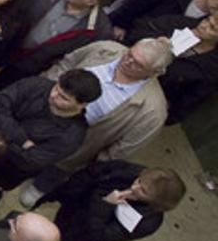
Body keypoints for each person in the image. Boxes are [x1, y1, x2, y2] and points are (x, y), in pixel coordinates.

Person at [22, 38, 173, 204]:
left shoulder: (152, 111)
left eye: (138, 65)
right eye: (130, 54)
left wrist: (92, 164)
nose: (128, 61)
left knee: (56, 171)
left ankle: (39, 187)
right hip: (39, 117)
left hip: (75, 148)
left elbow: (121, 149)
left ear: (155, 72)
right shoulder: (105, 49)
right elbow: (67, 63)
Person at [0, 0, 114, 102]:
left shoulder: (98, 30)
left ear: (91, 1)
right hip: (11, 42)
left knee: (6, 80)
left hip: (33, 63)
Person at [38, 160, 185, 241]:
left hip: (79, 240)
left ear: (155, 202)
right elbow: (94, 172)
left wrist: (105, 205)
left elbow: (99, 234)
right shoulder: (133, 172)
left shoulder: (147, 222)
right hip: (74, 209)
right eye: (139, 181)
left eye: (143, 191)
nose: (135, 187)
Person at [0, 69, 100, 193]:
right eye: (56, 88)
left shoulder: (72, 135)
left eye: (63, 98)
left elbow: (29, 161)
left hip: (5, 170)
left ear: (82, 105)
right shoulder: (38, 84)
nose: (53, 95)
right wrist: (22, 140)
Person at [127, 13, 218, 124]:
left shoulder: (211, 68)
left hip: (146, 100)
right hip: (129, 67)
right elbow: (141, 26)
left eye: (212, 28)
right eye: (207, 20)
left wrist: (164, 119)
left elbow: (189, 101)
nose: (204, 26)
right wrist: (155, 42)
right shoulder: (182, 23)